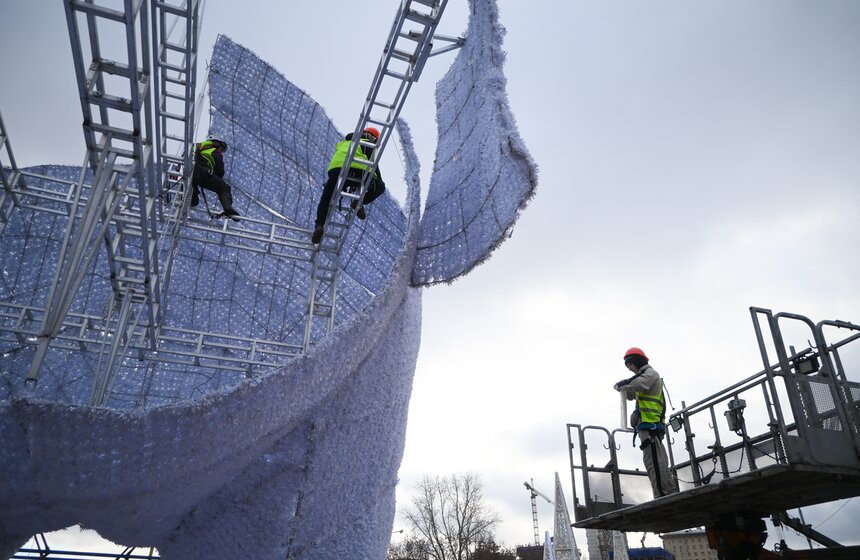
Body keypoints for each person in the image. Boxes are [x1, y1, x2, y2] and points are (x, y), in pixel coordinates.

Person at [614, 347, 678, 498]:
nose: (629, 368)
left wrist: (622, 385)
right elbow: (633, 392)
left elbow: (638, 384)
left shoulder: (649, 374)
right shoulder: (644, 376)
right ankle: (669, 490)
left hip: (650, 426)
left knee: (653, 462)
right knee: (658, 459)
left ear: (637, 360)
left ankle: (661, 493)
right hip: (650, 425)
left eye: (630, 364)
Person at [312, 127, 386, 244]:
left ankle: (319, 225)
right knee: (380, 187)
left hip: (337, 170)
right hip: (358, 170)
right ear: (374, 138)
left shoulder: (344, 143)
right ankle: (359, 202)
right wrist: (378, 181)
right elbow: (374, 167)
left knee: (326, 198)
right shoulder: (367, 142)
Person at [191, 137, 239, 220]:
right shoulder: (214, 150)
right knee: (224, 188)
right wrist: (217, 176)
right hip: (203, 172)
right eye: (221, 147)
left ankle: (193, 196)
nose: (221, 150)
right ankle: (228, 208)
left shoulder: (196, 146)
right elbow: (220, 169)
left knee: (192, 187)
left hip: (190, 171)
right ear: (216, 142)